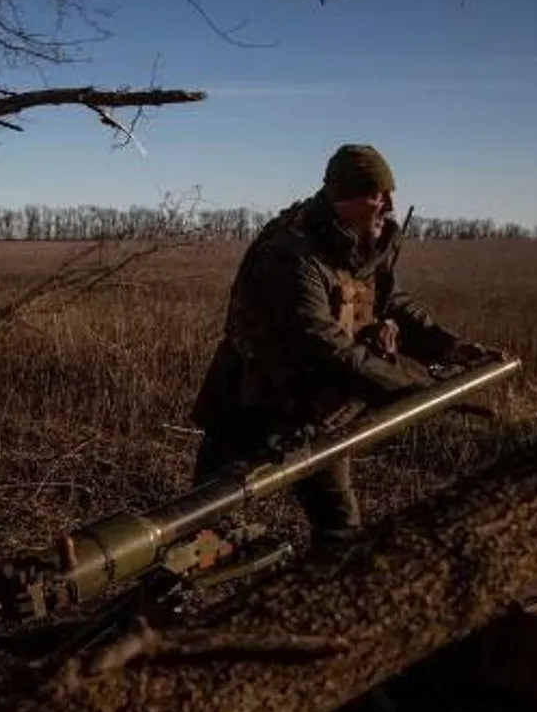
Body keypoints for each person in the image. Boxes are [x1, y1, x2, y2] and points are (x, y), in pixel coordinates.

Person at [189, 143, 507, 551]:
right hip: (251, 408)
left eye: (390, 193)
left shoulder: (361, 243)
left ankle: (321, 608)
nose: (389, 205)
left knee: (340, 531)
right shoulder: (291, 253)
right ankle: (153, 609)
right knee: (197, 528)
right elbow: (321, 341)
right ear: (344, 197)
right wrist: (407, 388)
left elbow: (390, 303)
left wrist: (451, 349)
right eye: (377, 194)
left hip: (319, 413)